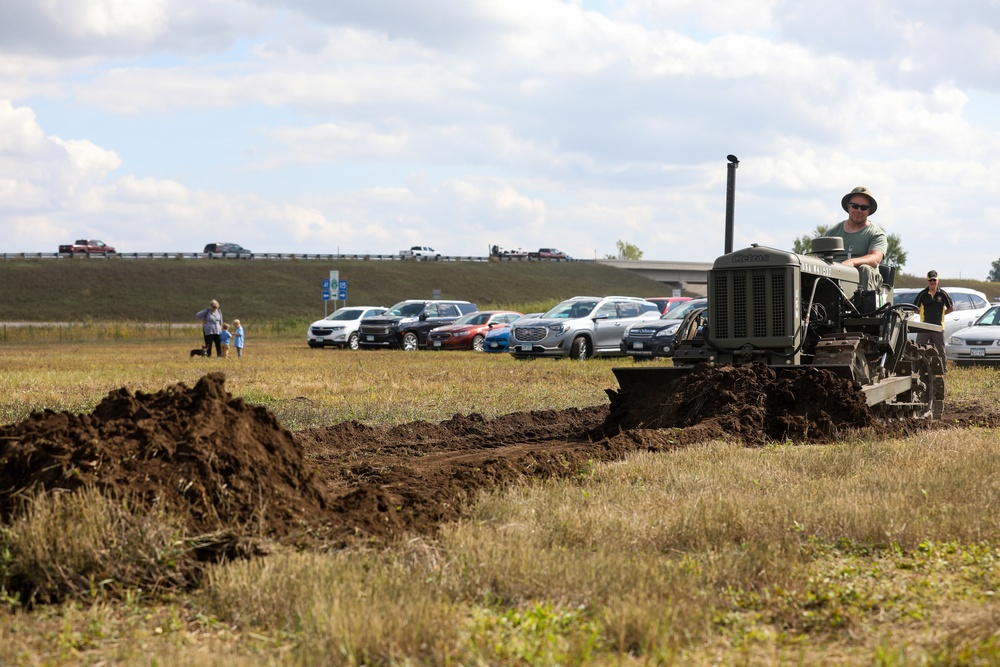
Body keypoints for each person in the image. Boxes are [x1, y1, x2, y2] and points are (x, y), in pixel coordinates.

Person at [823, 186, 888, 292]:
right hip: (834, 278)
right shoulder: (832, 233)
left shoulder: (876, 234)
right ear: (849, 206)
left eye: (863, 207)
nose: (858, 210)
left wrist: (851, 262)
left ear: (869, 210)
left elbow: (875, 258)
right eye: (855, 206)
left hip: (864, 281)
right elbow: (819, 258)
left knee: (865, 269)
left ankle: (865, 306)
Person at [913, 270, 953, 369]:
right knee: (919, 347)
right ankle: (917, 368)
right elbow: (915, 308)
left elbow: (951, 308)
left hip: (938, 326)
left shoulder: (942, 294)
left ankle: (943, 369)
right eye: (930, 280)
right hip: (924, 326)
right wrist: (923, 314)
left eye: (934, 280)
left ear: (937, 281)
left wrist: (942, 314)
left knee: (940, 349)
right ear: (927, 281)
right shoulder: (923, 294)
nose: (932, 282)